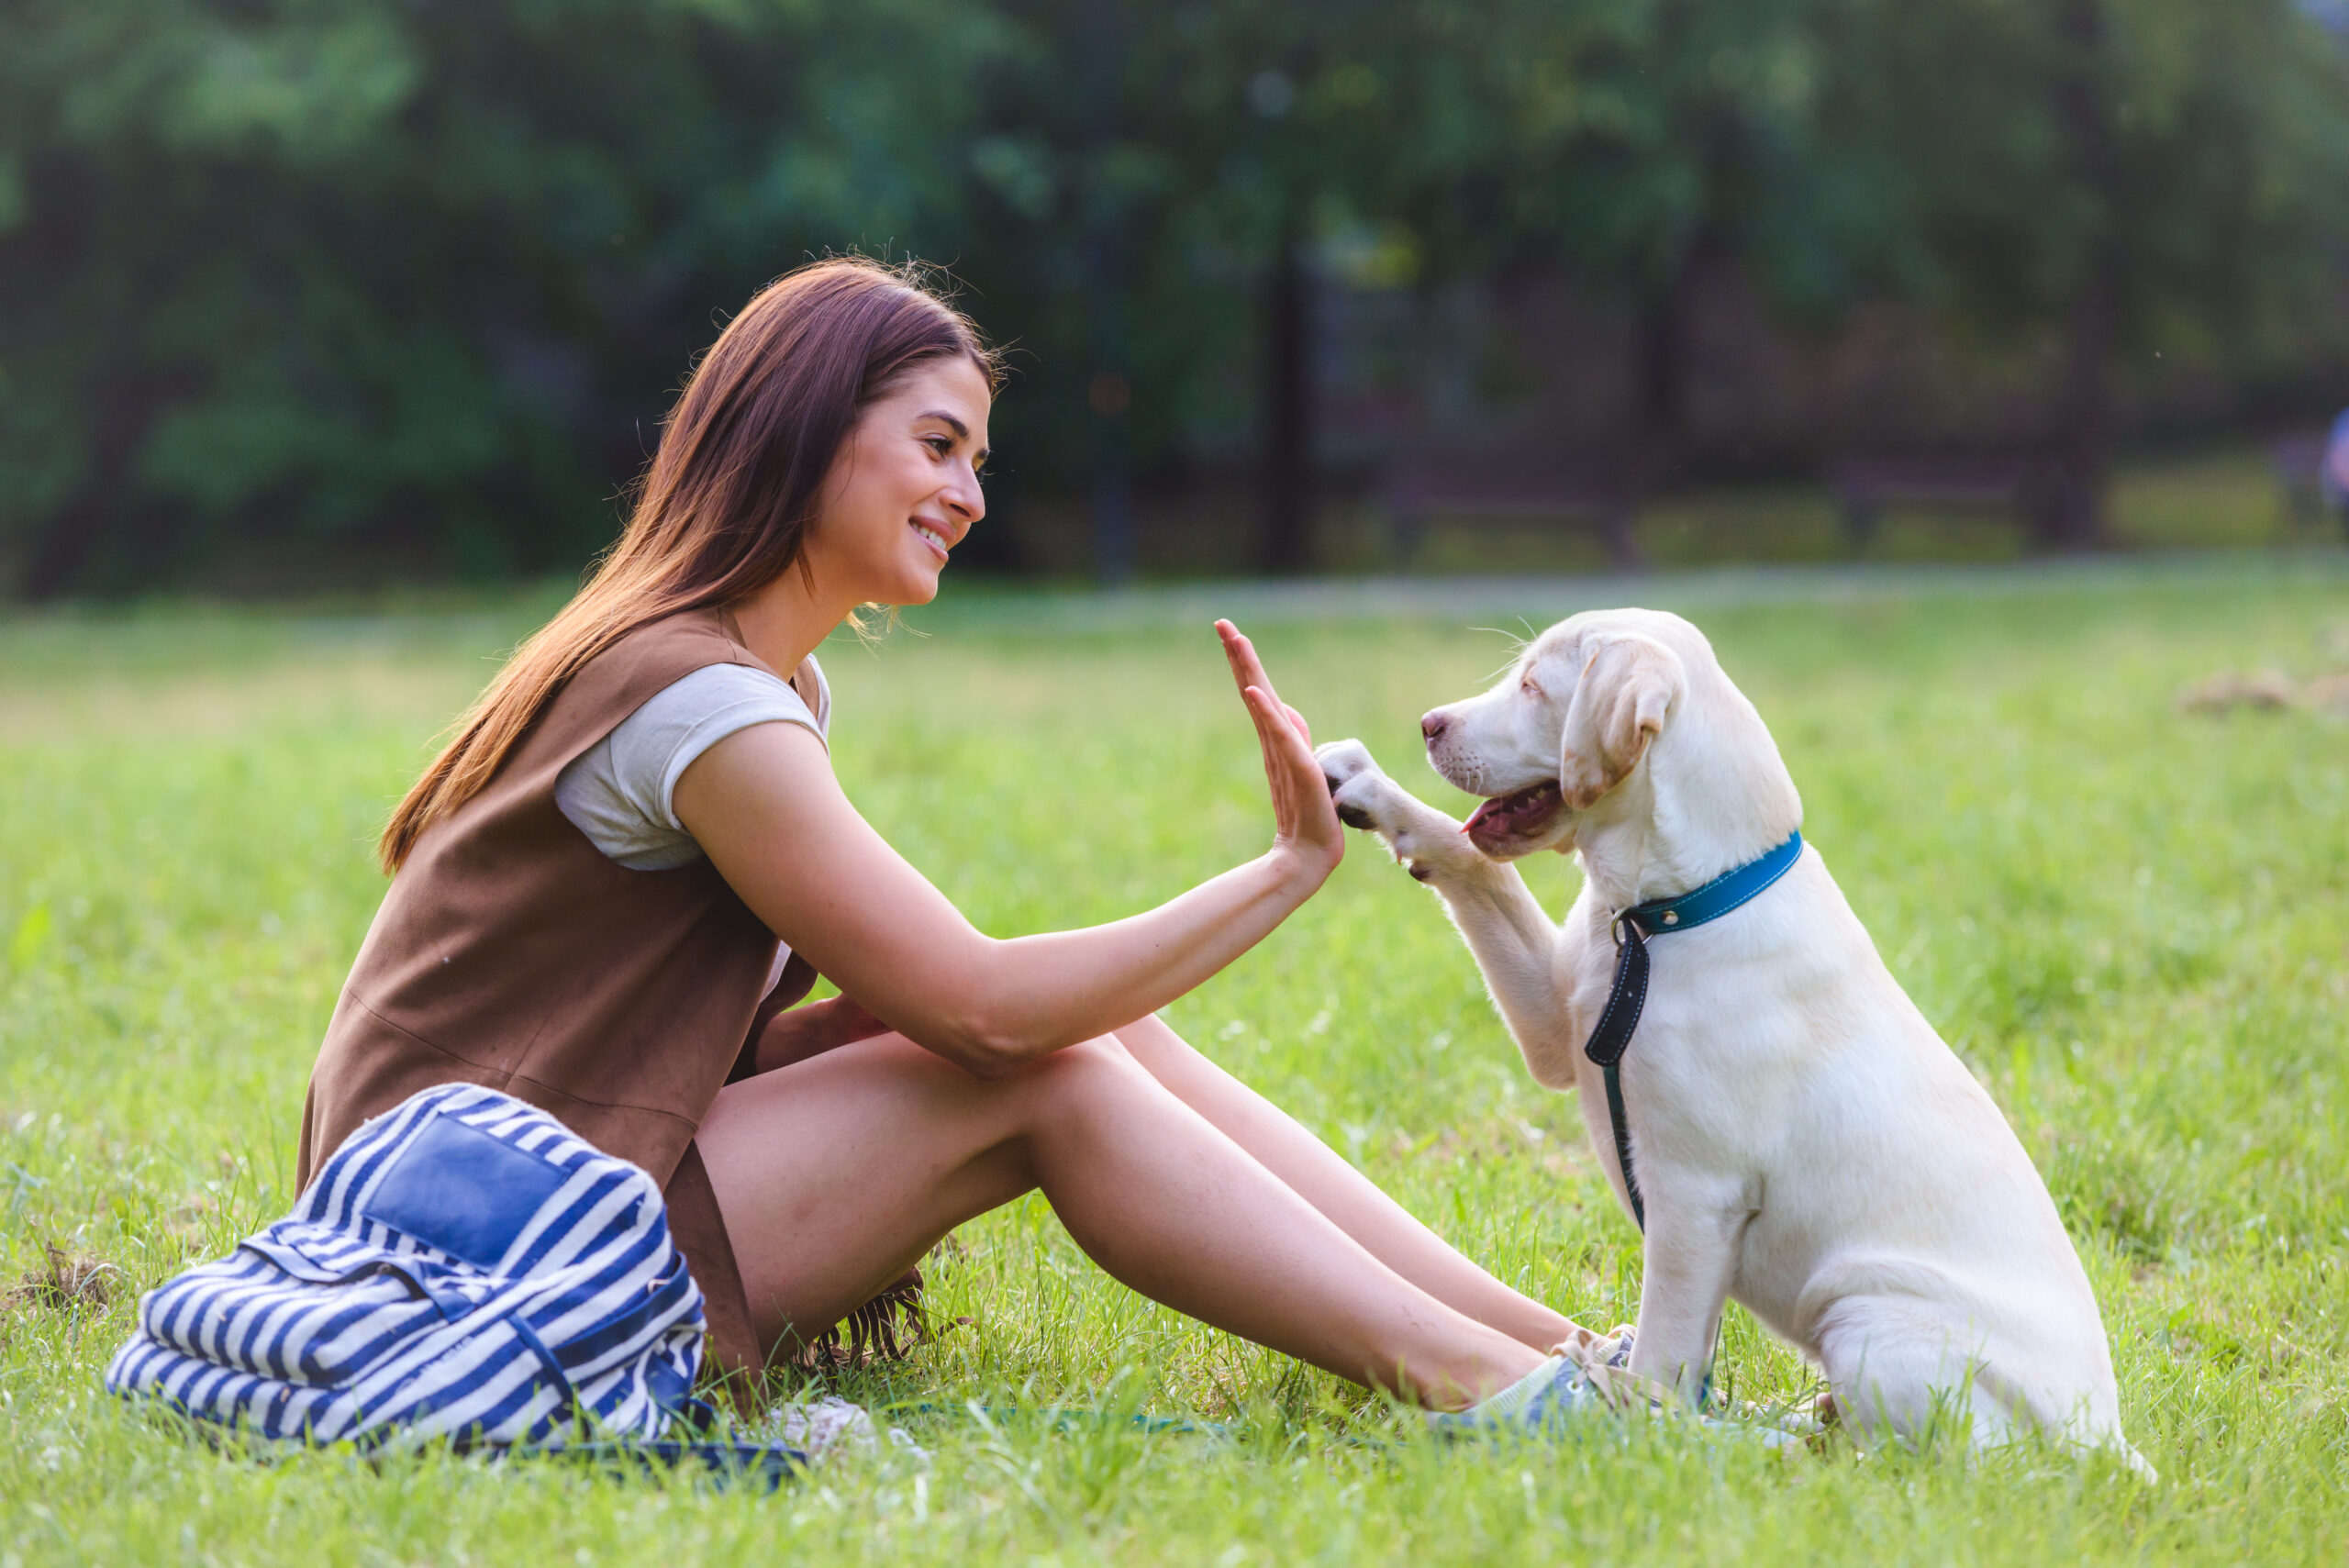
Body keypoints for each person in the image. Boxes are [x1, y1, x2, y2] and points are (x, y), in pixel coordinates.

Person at [295, 257, 1592, 1418]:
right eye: (936, 445)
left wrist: (897, 1023)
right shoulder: (698, 699)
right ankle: (1507, 1391)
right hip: (458, 1255)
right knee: (1048, 1068)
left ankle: (1580, 1354)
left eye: (976, 459)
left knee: (1097, 1031)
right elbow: (983, 1014)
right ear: (808, 432)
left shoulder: (751, 680)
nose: (968, 495)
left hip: (528, 1193)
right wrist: (1286, 871)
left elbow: (767, 1030)